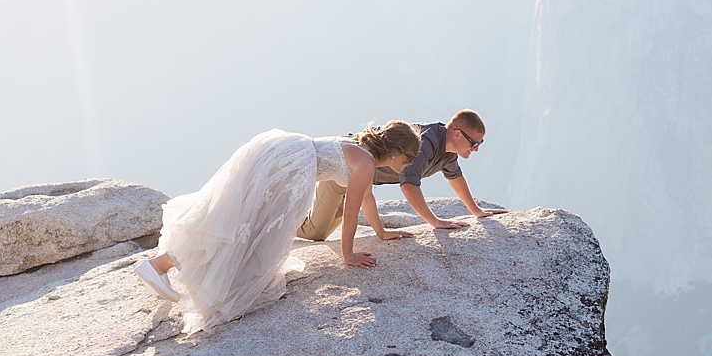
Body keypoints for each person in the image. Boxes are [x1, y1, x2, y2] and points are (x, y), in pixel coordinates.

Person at [134, 122, 421, 335]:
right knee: (246, 224)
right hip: (291, 164)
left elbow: (366, 198)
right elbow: (350, 210)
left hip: (285, 153)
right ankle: (161, 264)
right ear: (397, 153)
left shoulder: (362, 155)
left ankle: (164, 263)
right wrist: (348, 255)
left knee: (239, 220)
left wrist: (382, 232)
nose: (410, 164)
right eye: (410, 158)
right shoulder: (366, 163)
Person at [295, 109, 504, 241]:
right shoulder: (425, 142)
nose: (476, 149)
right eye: (475, 143)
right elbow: (409, 185)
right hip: (343, 170)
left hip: (362, 182)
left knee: (320, 234)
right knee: (313, 232)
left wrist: (476, 211)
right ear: (457, 134)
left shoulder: (448, 154)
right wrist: (435, 222)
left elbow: (455, 177)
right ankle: (280, 221)